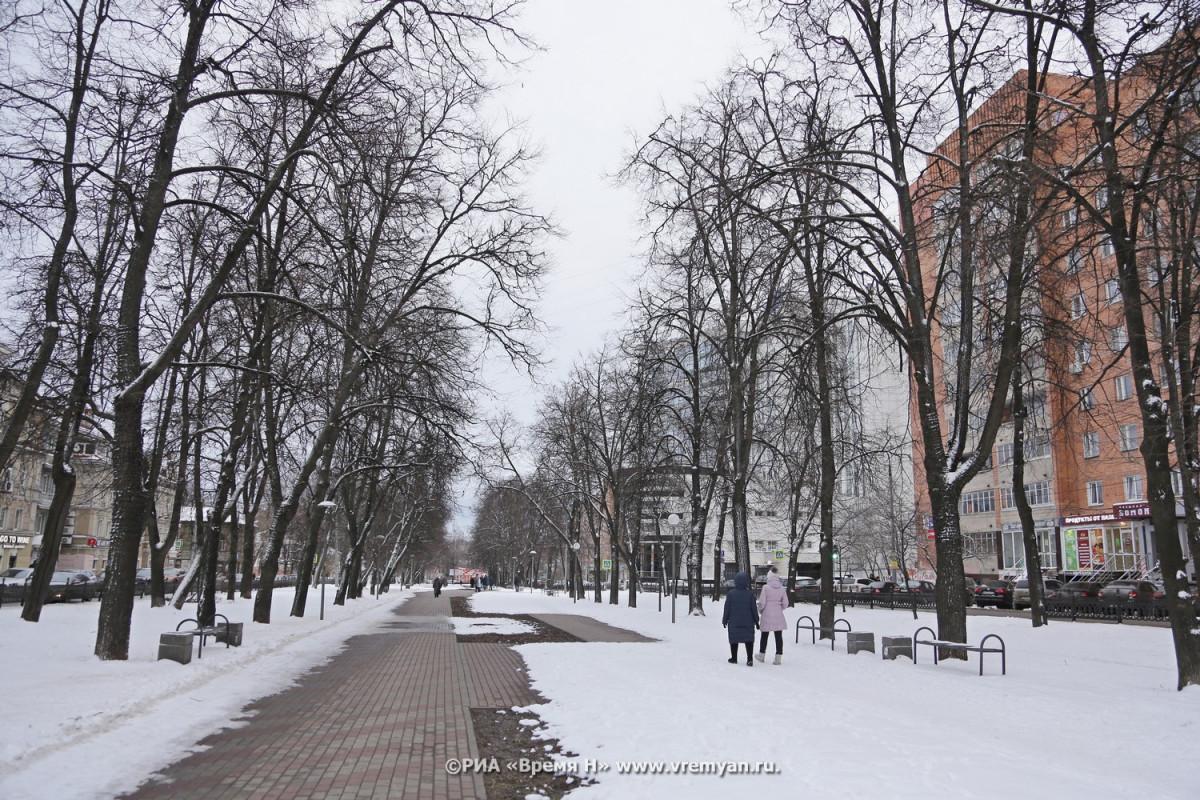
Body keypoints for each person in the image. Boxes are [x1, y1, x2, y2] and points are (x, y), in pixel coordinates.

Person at [721, 572, 759, 666]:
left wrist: (725, 620)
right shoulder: (750, 594)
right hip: (748, 622)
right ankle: (749, 659)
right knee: (749, 640)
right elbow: (754, 609)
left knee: (734, 639)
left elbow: (727, 608)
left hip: (734, 621)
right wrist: (756, 621)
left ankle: (734, 658)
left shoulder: (731, 594)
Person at [755, 566, 789, 665]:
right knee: (778, 636)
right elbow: (786, 603)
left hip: (767, 614)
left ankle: (761, 655)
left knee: (764, 635)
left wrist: (761, 610)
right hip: (778, 614)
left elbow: (762, 602)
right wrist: (779, 608)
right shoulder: (782, 588)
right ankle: (778, 658)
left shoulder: (765, 588)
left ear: (768, 577)